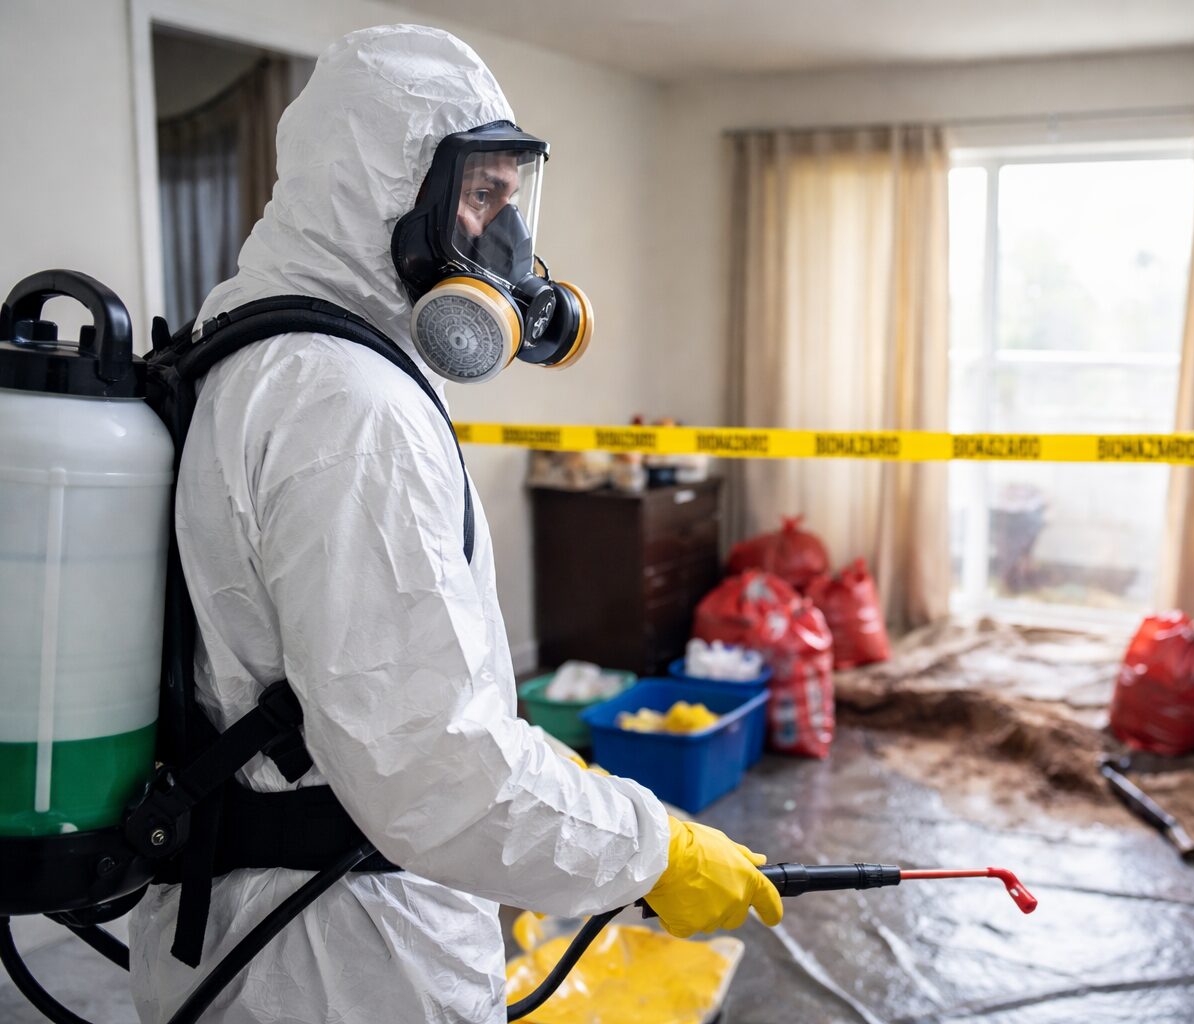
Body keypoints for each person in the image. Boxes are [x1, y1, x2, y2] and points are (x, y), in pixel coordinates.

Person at [129, 25, 780, 1024]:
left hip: (269, 920)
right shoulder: (349, 409)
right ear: (387, 194)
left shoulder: (256, 347)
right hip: (340, 959)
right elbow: (436, 773)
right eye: (479, 197)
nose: (506, 250)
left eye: (509, 202)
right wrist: (650, 847)